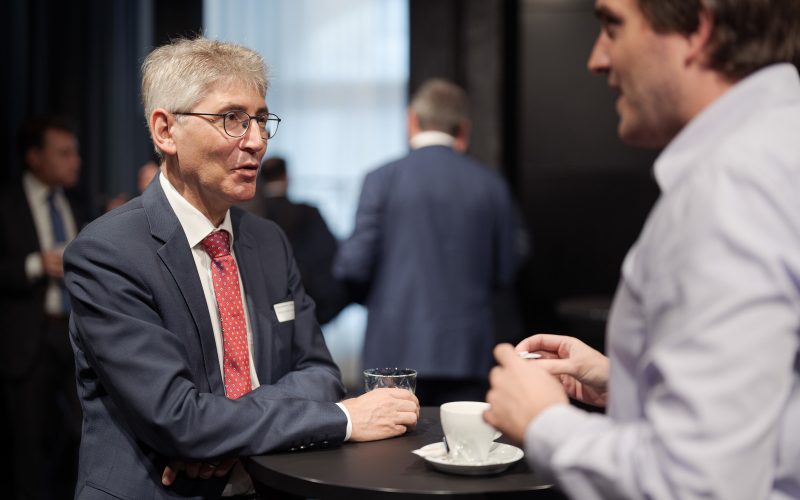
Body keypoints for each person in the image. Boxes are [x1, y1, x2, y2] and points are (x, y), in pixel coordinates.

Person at [64, 37, 418, 500]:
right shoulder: (108, 253)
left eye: (260, 120)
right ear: (166, 131)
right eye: (231, 119)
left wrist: (224, 431)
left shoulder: (268, 241)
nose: (256, 141)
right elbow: (178, 418)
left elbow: (320, 372)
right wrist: (347, 418)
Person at [484, 1, 800, 499]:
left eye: (613, 25)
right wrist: (624, 382)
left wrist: (544, 422)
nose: (596, 59)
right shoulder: (782, 147)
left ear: (698, 29)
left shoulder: (733, 185)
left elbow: (699, 485)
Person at [334, 79, 518, 405]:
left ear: (412, 121)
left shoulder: (381, 180)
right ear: (463, 128)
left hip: (393, 351)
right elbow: (507, 266)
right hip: (468, 352)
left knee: (389, 453)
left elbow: (353, 264)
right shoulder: (490, 184)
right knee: (465, 449)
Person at [0, 115, 85, 500]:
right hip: (27, 339)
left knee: (82, 433)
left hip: (75, 335)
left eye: (75, 152)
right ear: (35, 157)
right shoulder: (7, 203)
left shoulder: (80, 201)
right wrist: (38, 264)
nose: (75, 161)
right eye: (64, 153)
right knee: (28, 444)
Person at [242, 157, 348, 324]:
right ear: (287, 177)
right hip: (306, 305)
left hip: (260, 310)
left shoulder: (245, 216)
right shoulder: (309, 214)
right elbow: (330, 256)